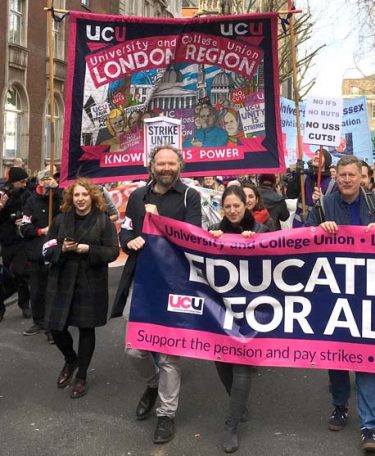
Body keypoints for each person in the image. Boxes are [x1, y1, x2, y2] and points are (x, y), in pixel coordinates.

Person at [111, 145, 202, 444]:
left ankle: (166, 414)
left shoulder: (191, 197)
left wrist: (158, 219)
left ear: (179, 166)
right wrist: (130, 240)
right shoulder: (138, 197)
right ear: (152, 166)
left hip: (175, 284)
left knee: (168, 355)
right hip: (142, 283)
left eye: (171, 163)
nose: (166, 168)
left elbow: (193, 239)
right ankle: (152, 385)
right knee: (134, 350)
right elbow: (125, 230)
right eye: (161, 163)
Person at [306, 155, 375, 453]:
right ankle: (340, 406)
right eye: (341, 174)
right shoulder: (322, 206)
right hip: (332, 291)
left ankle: (369, 425)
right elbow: (302, 240)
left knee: (367, 358)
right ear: (336, 175)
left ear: (362, 177)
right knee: (337, 355)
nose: (346, 179)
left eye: (351, 175)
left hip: (369, 293)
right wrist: (319, 230)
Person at [42, 178, 119, 399]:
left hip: (89, 282)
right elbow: (46, 251)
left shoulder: (102, 221)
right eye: (76, 195)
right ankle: (70, 359)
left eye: (85, 194)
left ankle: (82, 376)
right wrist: (62, 249)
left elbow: (113, 251)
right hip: (62, 281)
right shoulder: (59, 220)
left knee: (86, 329)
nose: (81, 199)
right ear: (71, 198)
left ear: (92, 196)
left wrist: (88, 249)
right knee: (55, 327)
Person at [209, 185, 268, 453]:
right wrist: (210, 241)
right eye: (228, 206)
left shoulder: (261, 231)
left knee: (242, 365)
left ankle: (231, 425)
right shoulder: (213, 233)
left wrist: (254, 241)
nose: (232, 211)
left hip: (251, 310)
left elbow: (275, 263)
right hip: (220, 309)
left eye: (237, 205)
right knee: (221, 361)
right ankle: (239, 404)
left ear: (247, 206)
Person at [20, 170, 63, 340]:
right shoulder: (30, 201)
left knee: (53, 290)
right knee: (37, 290)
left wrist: (57, 190)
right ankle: (39, 321)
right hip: (36, 252)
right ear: (39, 181)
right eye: (45, 179)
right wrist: (40, 231)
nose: (48, 182)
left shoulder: (59, 197)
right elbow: (24, 226)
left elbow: (68, 209)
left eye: (51, 179)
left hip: (55, 251)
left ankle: (53, 328)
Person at [0, 166, 32, 322]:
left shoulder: (27, 194)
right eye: (21, 181)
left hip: (22, 241)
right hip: (7, 241)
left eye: (26, 181)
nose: (25, 184)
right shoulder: (3, 195)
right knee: (8, 275)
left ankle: (24, 303)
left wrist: (25, 219)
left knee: (21, 271)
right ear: (13, 182)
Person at [286, 149, 335, 227]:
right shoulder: (303, 177)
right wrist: (296, 175)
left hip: (319, 228)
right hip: (299, 226)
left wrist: (322, 199)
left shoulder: (332, 184)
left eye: (320, 155)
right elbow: (290, 195)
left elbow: (334, 209)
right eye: (315, 154)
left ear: (327, 161)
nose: (316, 156)